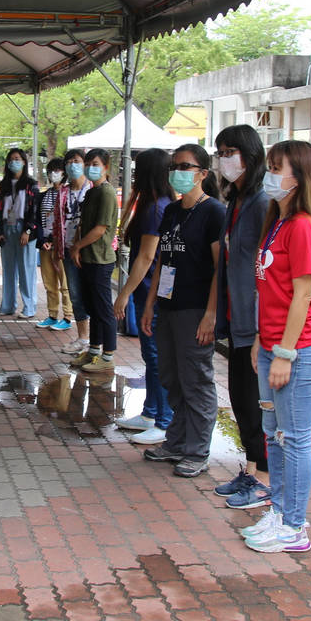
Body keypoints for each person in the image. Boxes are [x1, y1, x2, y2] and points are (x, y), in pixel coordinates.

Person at [241, 140, 311, 554]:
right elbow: (269, 289)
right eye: (271, 166)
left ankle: (295, 525)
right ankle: (279, 511)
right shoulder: (276, 222)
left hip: (298, 352)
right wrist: (263, 338)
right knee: (272, 436)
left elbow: (302, 295)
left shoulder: (302, 227)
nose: (270, 175)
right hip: (273, 346)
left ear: (300, 177)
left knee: (293, 438)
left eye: (278, 168)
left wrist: (285, 352)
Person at [138, 149, 225, 476]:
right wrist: (149, 305)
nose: (177, 172)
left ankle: (197, 450)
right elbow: (162, 260)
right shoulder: (172, 210)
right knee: (170, 375)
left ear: (202, 172)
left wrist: (211, 314)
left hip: (196, 309)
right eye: (174, 167)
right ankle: (176, 441)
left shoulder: (214, 212)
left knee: (196, 381)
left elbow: (220, 268)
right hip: (167, 306)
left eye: (185, 167)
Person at [209, 128, 273, 509]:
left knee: (254, 403)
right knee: (241, 402)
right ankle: (251, 469)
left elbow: (266, 270)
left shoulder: (263, 203)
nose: (224, 159)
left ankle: (264, 478)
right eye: (219, 152)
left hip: (255, 323)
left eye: (230, 151)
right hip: (237, 320)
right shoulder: (237, 201)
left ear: (249, 155)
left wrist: (264, 329)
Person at [112, 149, 176, 443]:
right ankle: (151, 412)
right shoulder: (158, 204)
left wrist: (123, 294)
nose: (133, 174)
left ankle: (164, 422)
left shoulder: (155, 209)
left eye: (138, 169)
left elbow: (146, 257)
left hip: (151, 292)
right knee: (151, 356)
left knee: (155, 355)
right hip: (150, 290)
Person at [68, 148, 119, 372]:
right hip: (87, 259)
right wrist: (77, 248)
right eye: (88, 163)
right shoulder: (91, 192)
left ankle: (108, 356)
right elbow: (83, 224)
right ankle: (94, 350)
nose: (90, 168)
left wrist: (77, 246)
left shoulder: (107, 193)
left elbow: (100, 229)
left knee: (103, 309)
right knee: (92, 307)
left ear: (106, 167)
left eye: (96, 164)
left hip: (100, 260)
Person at [0, 148, 39, 318]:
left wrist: (28, 230)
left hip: (24, 231)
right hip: (7, 229)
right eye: (11, 159)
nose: (14, 162)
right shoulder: (3, 186)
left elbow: (35, 211)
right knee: (9, 270)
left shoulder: (31, 185)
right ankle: (7, 305)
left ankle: (29, 307)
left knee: (27, 270)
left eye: (17, 159)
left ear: (24, 162)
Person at [59, 150, 92, 353]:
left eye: (77, 161)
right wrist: (58, 251)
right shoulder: (63, 191)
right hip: (68, 249)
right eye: (69, 162)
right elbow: (57, 221)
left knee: (92, 294)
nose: (73, 165)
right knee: (76, 294)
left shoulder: (92, 189)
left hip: (89, 251)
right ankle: (83, 338)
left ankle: (95, 340)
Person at [35, 158, 73, 332]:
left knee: (65, 282)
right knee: (49, 282)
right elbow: (38, 221)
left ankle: (67, 316)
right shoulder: (43, 195)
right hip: (46, 245)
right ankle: (52, 315)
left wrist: (57, 241)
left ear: (65, 172)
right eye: (51, 170)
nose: (54, 174)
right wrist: (43, 241)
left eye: (58, 170)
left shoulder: (69, 194)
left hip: (62, 246)